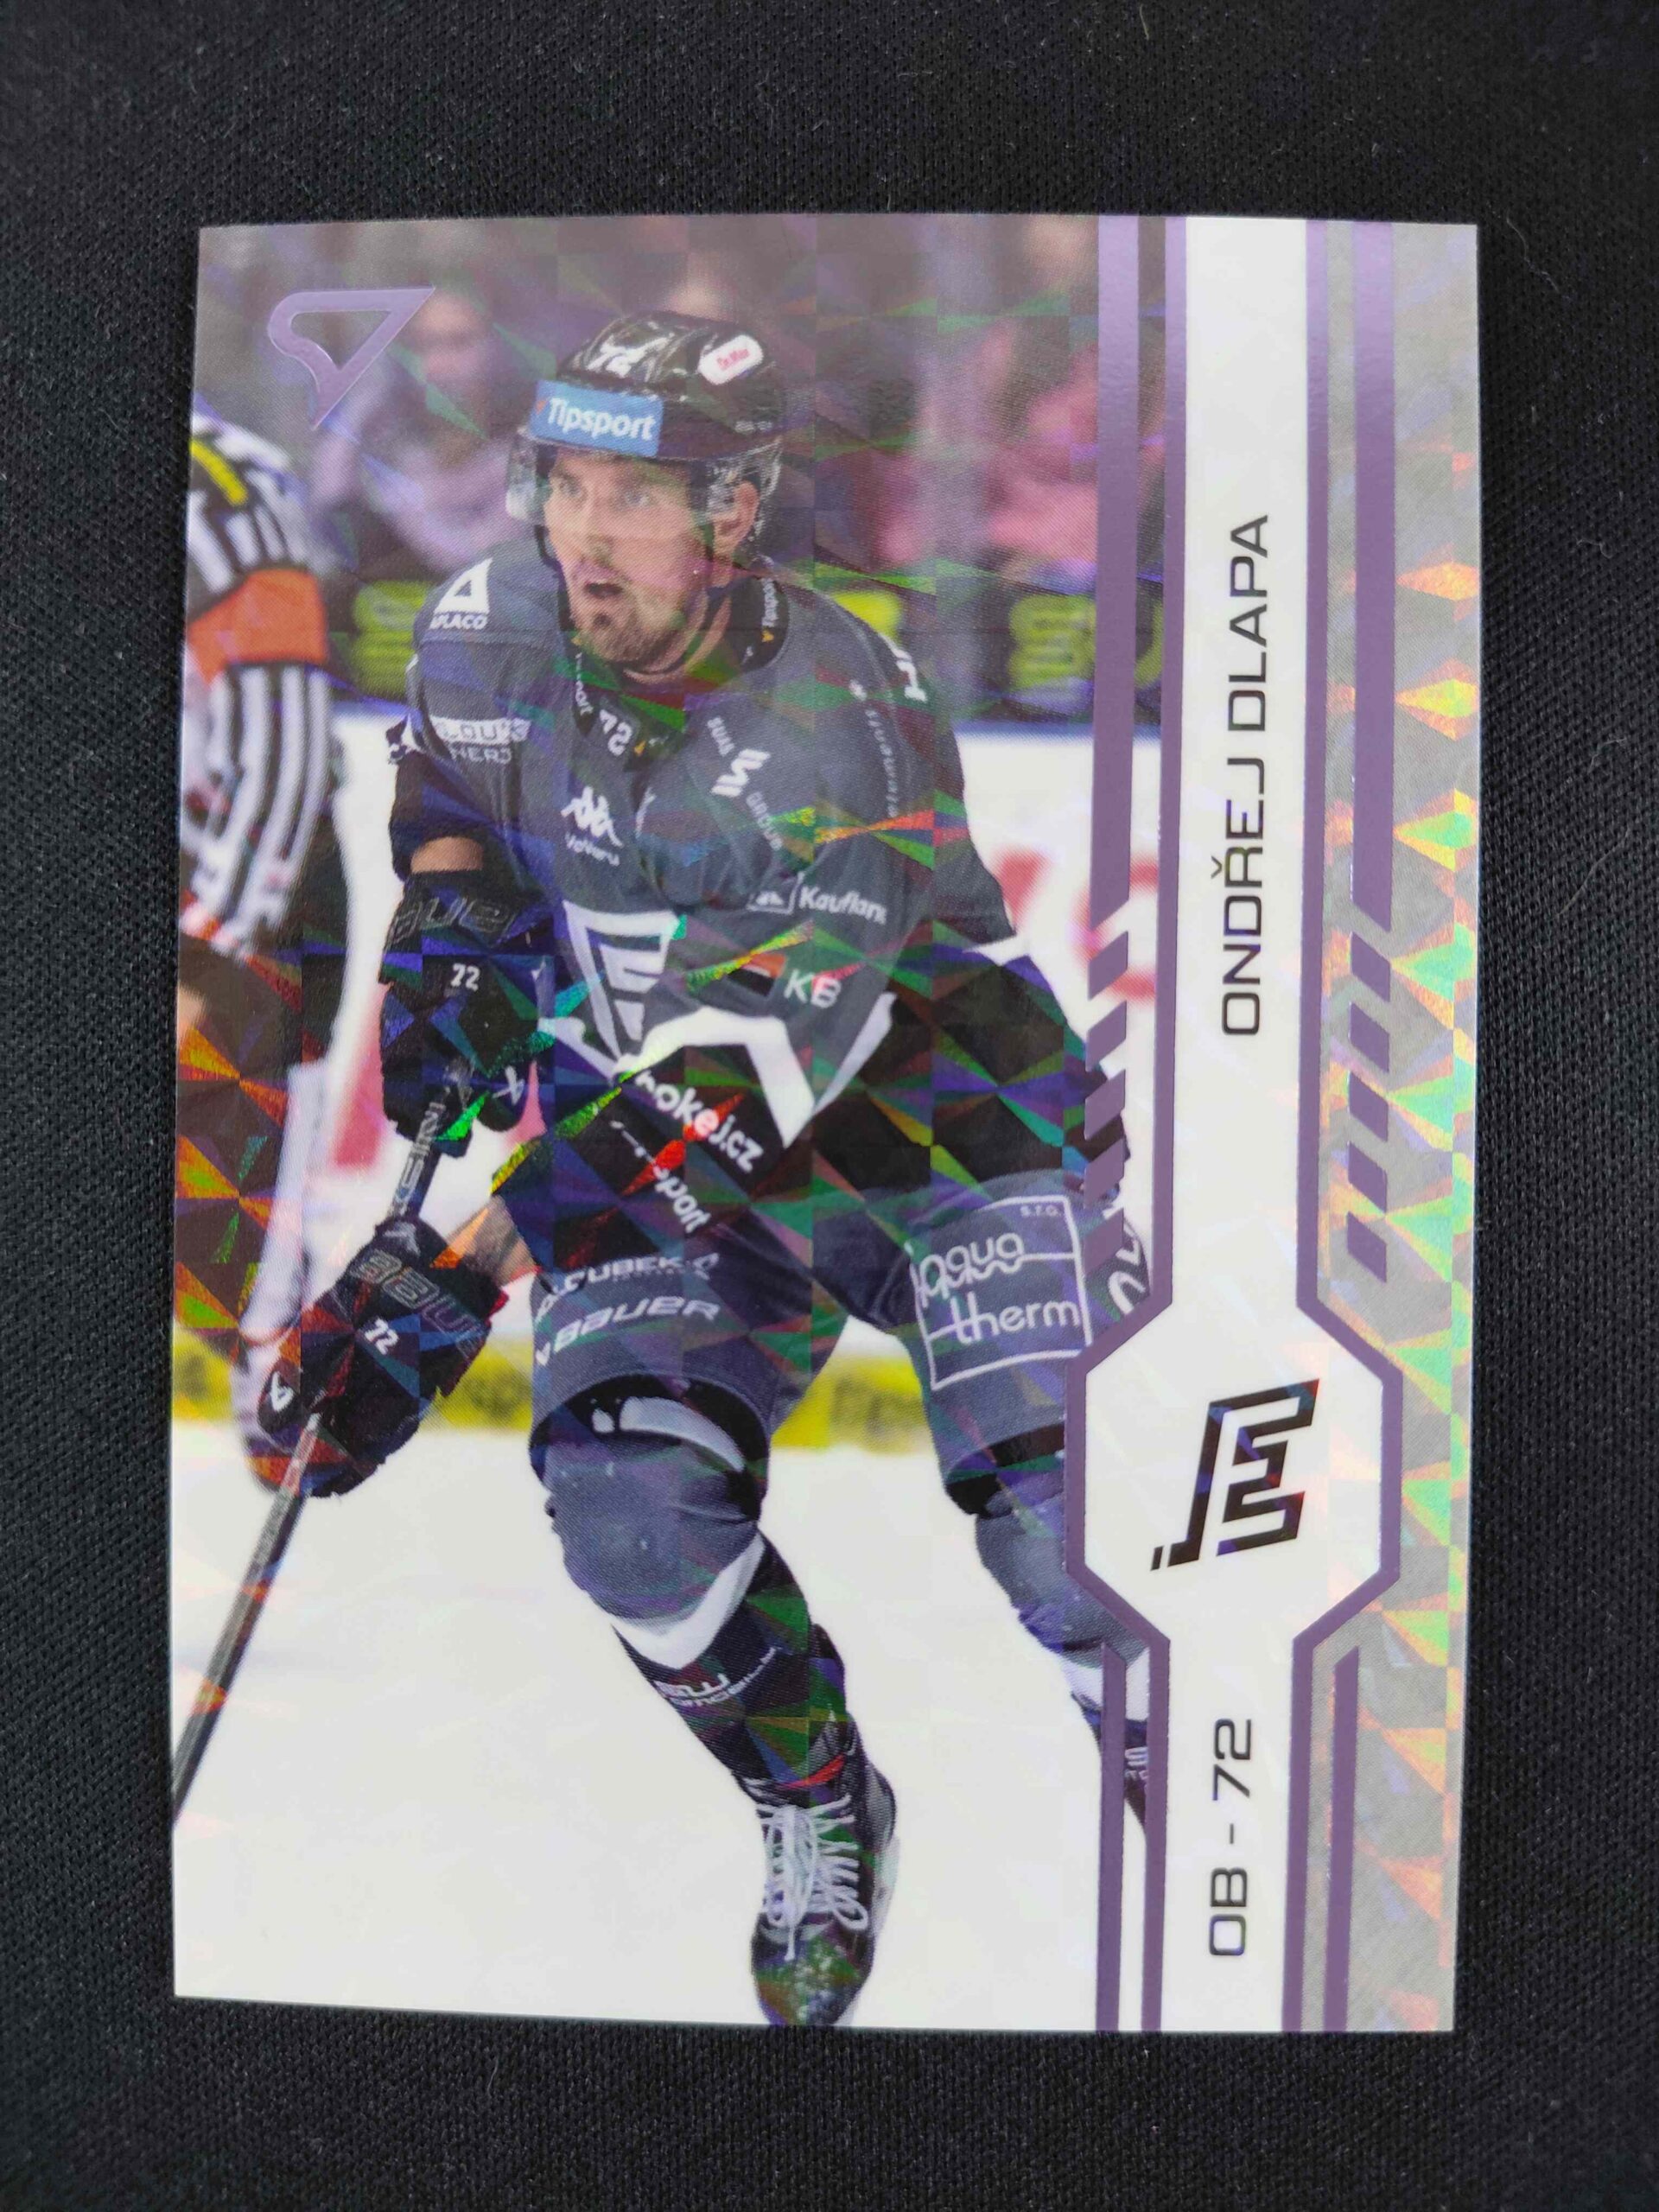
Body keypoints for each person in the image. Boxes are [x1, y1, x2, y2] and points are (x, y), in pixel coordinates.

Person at [256, 312, 1149, 2027]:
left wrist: (453, 1274)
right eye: (564, 485)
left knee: (1073, 1530)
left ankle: (1193, 1765)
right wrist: (454, 927)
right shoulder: (489, 625)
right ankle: (815, 1794)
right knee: (629, 1507)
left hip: (949, 1139)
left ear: (735, 512)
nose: (585, 533)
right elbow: (453, 789)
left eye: (636, 497)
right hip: (665, 1140)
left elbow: (728, 1093)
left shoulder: (841, 718)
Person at [176, 410, 347, 1456]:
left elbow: (282, 759)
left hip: (243, 900)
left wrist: (201, 958)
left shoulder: (223, 493)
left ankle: (278, 1361)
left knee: (234, 1260)